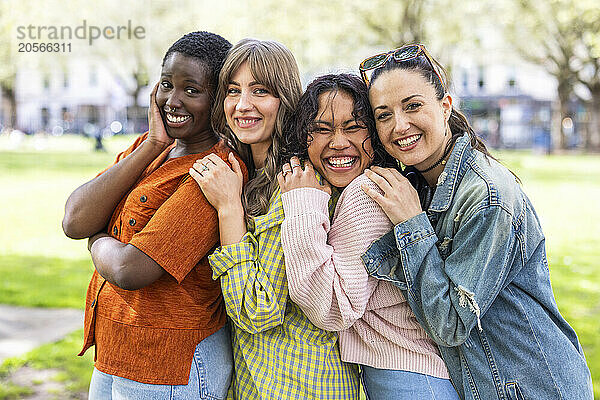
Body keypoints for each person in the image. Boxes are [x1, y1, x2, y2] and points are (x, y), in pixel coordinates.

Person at [358, 44, 593, 399]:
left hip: (534, 389)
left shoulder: (487, 197)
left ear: (445, 105)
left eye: (413, 105)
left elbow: (450, 323)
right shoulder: (419, 186)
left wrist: (411, 224)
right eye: (384, 114)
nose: (399, 125)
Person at [62, 31, 243, 399]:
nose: (172, 100)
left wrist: (98, 239)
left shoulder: (215, 170)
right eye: (166, 84)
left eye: (191, 90)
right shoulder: (151, 149)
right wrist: (152, 145)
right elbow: (74, 220)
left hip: (170, 367)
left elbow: (132, 269)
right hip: (116, 352)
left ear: (220, 98)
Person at [188, 39, 359, 399]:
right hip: (261, 383)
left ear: (286, 98)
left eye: (260, 91)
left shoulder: (293, 182)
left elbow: (258, 310)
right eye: (233, 91)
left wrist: (229, 209)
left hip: (300, 384)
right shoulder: (252, 170)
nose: (243, 105)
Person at [277, 73, 459, 399]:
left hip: (408, 379)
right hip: (406, 375)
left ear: (374, 135)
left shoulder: (366, 193)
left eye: (354, 127)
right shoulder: (371, 185)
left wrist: (302, 205)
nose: (338, 142)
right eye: (321, 128)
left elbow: (332, 307)